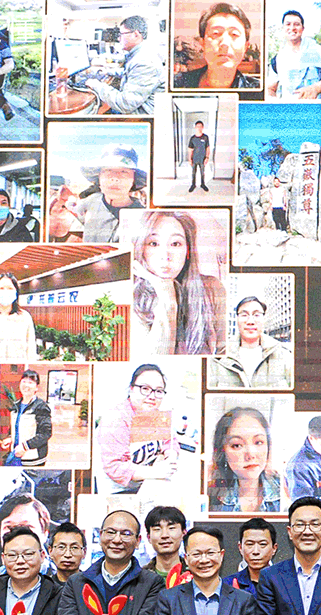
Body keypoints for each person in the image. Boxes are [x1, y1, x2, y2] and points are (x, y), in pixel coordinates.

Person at [131, 211, 226, 356]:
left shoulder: (212, 287)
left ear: (187, 251)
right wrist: (166, 296)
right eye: (154, 243)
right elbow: (155, 360)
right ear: (141, 249)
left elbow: (224, 352)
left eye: (175, 244)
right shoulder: (132, 297)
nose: (165, 255)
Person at [96, 364, 180, 494]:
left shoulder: (155, 412)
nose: (152, 396)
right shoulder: (116, 419)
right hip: (118, 491)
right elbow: (115, 468)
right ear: (131, 389)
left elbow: (170, 441)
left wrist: (170, 456)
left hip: (146, 483)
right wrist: (156, 471)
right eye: (145, 388)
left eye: (158, 391)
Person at [208, 405, 283, 513]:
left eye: (258, 442)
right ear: (222, 451)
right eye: (237, 445)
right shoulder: (210, 497)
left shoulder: (285, 490)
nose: (251, 454)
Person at [84, 15, 163, 115]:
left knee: (91, 113)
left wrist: (96, 85)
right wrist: (108, 71)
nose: (118, 38)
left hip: (140, 116)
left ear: (135, 34)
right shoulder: (140, 53)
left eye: (122, 34)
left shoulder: (144, 61)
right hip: (137, 108)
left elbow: (125, 104)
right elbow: (131, 72)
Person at [208, 295, 292, 389]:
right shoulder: (218, 358)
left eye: (256, 315)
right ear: (237, 319)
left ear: (264, 319)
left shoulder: (284, 356)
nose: (250, 321)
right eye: (244, 315)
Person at [68, 147, 147, 244]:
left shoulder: (144, 216)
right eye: (108, 170)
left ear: (133, 179)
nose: (115, 178)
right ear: (99, 177)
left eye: (124, 171)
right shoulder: (90, 201)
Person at [174, 3, 258, 90]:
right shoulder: (176, 84)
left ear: (245, 46)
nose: (225, 43)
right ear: (202, 43)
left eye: (234, 34)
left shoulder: (257, 90)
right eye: (216, 33)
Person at [267, 9, 321, 101]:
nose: (292, 28)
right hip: (290, 108)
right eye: (288, 24)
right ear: (283, 28)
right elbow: (270, 89)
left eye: (297, 24)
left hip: (315, 107)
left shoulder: (320, 52)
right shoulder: (277, 60)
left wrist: (316, 88)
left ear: (303, 29)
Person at [0, 370, 51, 468]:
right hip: (15, 455)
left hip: (32, 459)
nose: (26, 385)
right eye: (24, 381)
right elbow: (16, 427)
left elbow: (45, 433)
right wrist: (10, 438)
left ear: (36, 387)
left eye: (30, 382)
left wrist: (25, 446)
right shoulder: (16, 405)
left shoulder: (41, 406)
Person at [227, 517, 278, 594]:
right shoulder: (227, 585)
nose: (256, 551)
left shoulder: (285, 583)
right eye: (250, 544)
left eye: (262, 544)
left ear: (274, 548)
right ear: (240, 548)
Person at [143, 505, 187, 580]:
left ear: (183, 534)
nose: (164, 535)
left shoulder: (195, 575)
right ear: (149, 537)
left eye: (171, 528)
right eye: (157, 529)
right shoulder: (139, 578)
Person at [186, 119, 211, 193]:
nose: (199, 128)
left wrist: (207, 157)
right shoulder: (192, 138)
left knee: (202, 172)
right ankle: (193, 185)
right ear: (195, 127)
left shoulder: (205, 137)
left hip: (202, 158)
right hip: (194, 158)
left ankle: (203, 184)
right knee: (193, 172)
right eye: (197, 126)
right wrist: (189, 159)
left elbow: (208, 148)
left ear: (203, 127)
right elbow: (190, 149)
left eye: (200, 126)